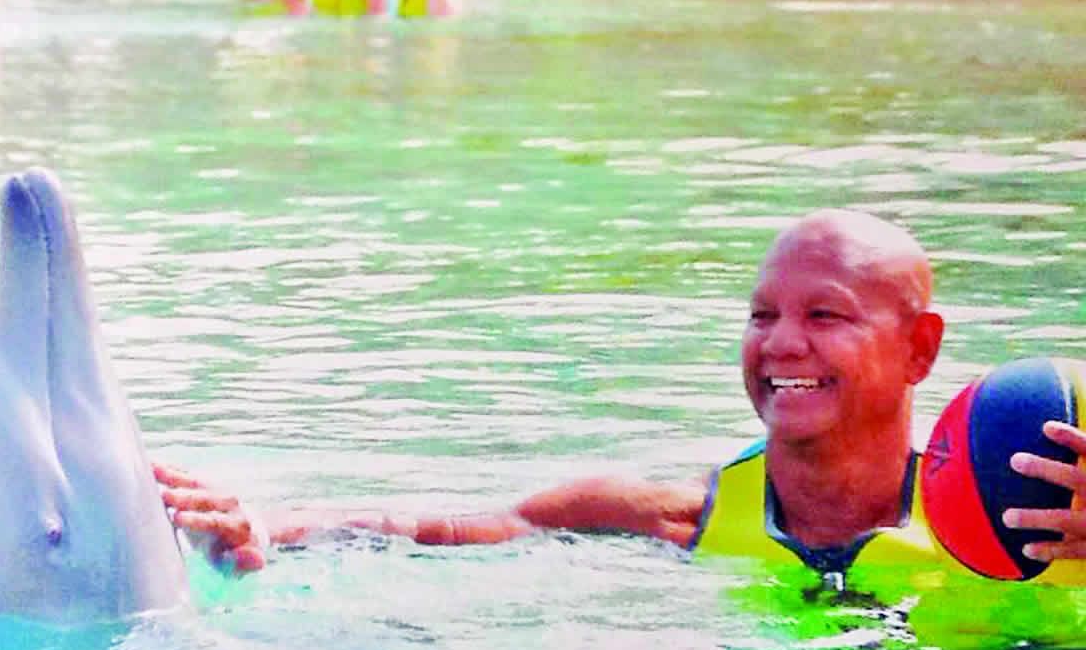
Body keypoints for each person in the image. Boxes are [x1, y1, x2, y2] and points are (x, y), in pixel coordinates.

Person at [156, 209, 1086, 580]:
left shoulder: (1045, 524)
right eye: (761, 316)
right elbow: (434, 526)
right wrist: (261, 525)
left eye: (826, 316)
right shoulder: (673, 522)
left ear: (921, 349)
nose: (781, 345)